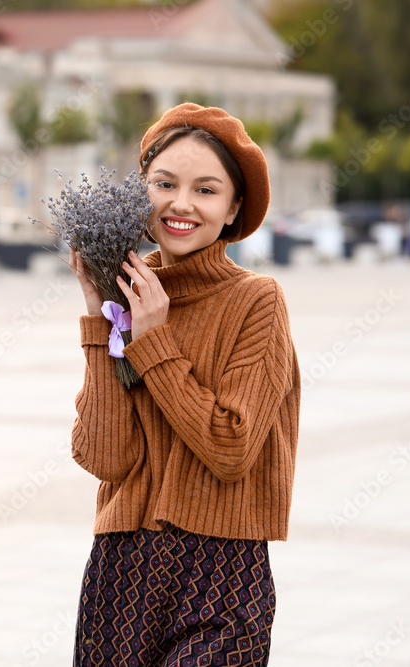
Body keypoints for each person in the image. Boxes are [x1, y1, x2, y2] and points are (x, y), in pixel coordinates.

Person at [66, 103, 301, 666]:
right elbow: (105, 456)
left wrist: (154, 343)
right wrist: (101, 319)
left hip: (221, 574)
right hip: (121, 573)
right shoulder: (126, 299)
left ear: (233, 208)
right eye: (164, 184)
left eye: (206, 189)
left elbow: (231, 447)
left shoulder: (256, 302)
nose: (181, 204)